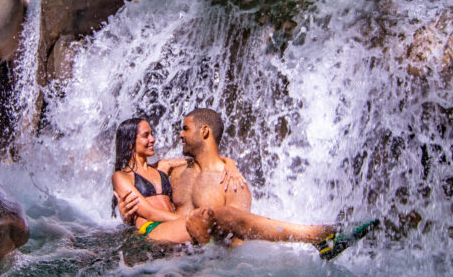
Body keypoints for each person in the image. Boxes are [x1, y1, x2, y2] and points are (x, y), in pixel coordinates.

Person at [111, 109, 377, 259]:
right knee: (213, 216)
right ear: (130, 141)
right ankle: (318, 234)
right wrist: (180, 218)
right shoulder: (138, 174)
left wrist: (231, 164)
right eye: (146, 135)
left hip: (185, 243)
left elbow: (208, 154)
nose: (155, 139)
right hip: (157, 234)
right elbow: (146, 211)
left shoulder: (173, 168)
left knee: (215, 218)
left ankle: (319, 238)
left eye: (152, 134)